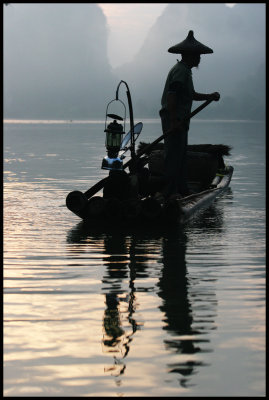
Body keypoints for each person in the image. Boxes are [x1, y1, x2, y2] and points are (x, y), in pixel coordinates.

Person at [159, 30, 220, 199]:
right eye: (197, 55)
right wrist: (173, 120)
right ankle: (170, 192)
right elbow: (172, 96)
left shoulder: (185, 71)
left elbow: (190, 95)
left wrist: (209, 96)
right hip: (174, 118)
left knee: (180, 155)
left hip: (180, 119)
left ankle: (181, 189)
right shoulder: (181, 71)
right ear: (189, 55)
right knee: (173, 155)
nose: (199, 58)